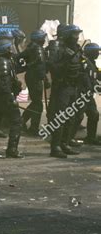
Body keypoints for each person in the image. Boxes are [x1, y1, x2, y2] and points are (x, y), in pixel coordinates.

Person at [47, 25, 83, 158]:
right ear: (68, 35)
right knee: (60, 117)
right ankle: (55, 147)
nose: (77, 37)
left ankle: (64, 143)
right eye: (74, 34)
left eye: (77, 34)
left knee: (71, 117)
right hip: (62, 86)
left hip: (73, 87)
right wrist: (63, 64)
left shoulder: (76, 49)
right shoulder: (59, 49)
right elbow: (51, 65)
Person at [21, 30, 49, 136]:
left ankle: (23, 121)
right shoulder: (33, 48)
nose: (43, 40)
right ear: (38, 39)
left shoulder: (38, 48)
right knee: (38, 104)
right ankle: (32, 127)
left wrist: (44, 78)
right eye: (42, 38)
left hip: (37, 77)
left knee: (36, 103)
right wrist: (29, 65)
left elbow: (41, 66)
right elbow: (20, 58)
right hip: (33, 77)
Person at [72, 43, 101, 145]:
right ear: (91, 52)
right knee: (78, 116)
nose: (98, 54)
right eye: (96, 52)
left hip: (88, 95)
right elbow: (84, 79)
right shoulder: (84, 63)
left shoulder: (92, 63)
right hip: (81, 94)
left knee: (94, 114)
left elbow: (97, 75)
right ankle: (67, 139)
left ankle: (91, 138)